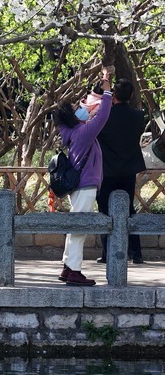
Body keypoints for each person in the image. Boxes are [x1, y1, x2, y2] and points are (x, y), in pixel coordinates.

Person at [53, 65, 114, 286]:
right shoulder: (83, 133)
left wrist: (102, 84)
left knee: (74, 226)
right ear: (74, 117)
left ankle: (68, 267)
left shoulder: (72, 133)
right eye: (76, 107)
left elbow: (92, 107)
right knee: (79, 229)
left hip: (80, 186)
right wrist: (108, 92)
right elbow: (103, 115)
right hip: (87, 186)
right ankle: (75, 272)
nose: (80, 106)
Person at [97, 78, 146, 264]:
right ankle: (136, 252)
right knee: (129, 209)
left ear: (113, 95)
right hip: (128, 168)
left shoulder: (104, 116)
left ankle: (107, 252)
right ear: (131, 95)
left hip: (106, 168)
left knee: (104, 209)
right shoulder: (138, 116)